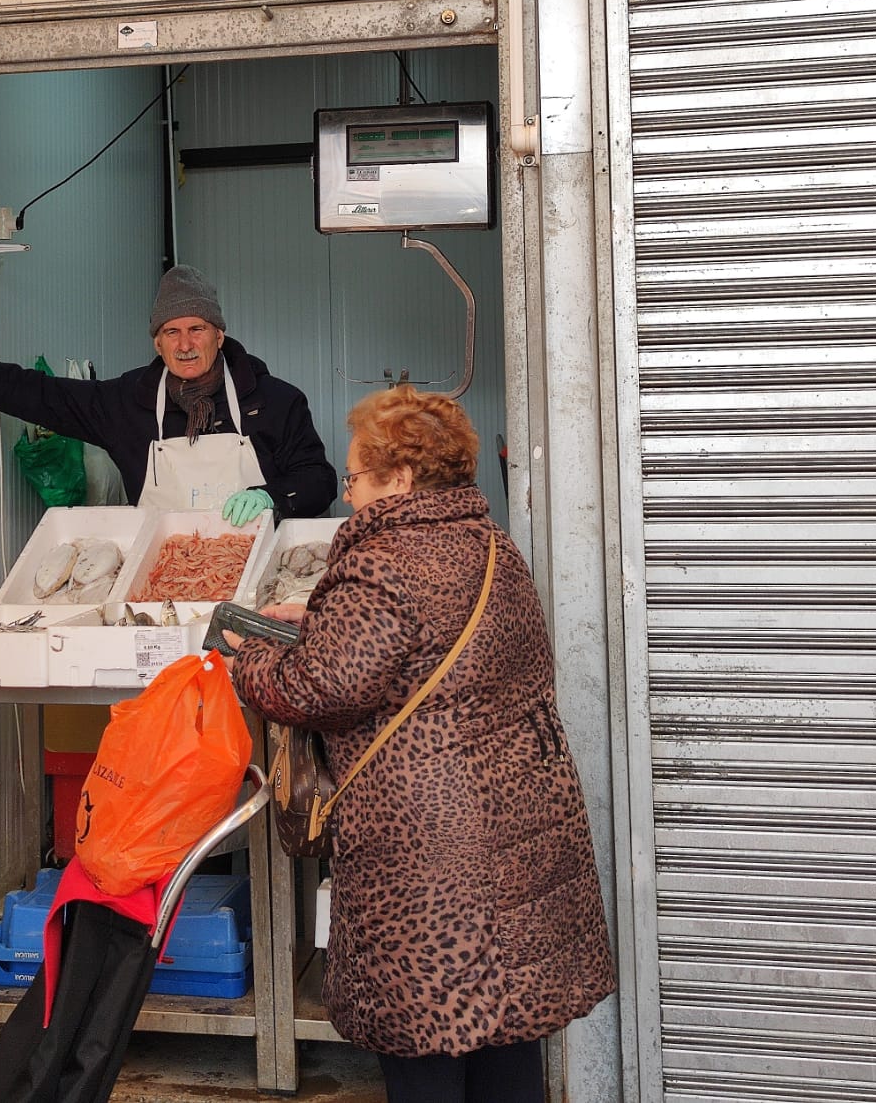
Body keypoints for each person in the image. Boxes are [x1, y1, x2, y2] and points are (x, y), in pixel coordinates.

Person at [224, 387, 615, 1103]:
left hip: (429, 856)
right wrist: (320, 616)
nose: (346, 494)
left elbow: (312, 691)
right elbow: (430, 651)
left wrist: (250, 654)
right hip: (519, 830)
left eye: (353, 477)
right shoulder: (493, 548)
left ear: (399, 479)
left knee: (426, 1043)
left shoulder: (383, 564)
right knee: (504, 1041)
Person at [0, 264, 335, 523]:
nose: (185, 344)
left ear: (219, 335)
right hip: (162, 577)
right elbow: (44, 395)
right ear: (158, 343)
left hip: (258, 574)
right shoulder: (128, 404)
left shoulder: (276, 401)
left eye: (197, 329)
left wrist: (271, 498)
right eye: (171, 332)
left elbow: (319, 479)